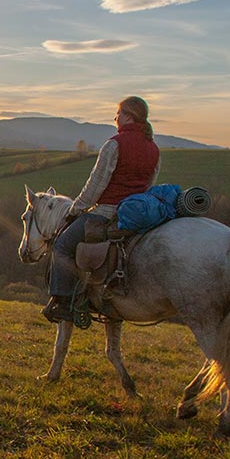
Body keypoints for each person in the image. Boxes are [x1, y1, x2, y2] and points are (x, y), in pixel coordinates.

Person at [43, 96, 161, 322]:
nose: (115, 118)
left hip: (107, 212)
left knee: (61, 246)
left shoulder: (114, 144)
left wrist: (76, 209)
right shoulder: (153, 148)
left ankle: (63, 302)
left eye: (117, 113)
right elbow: (149, 184)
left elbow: (96, 184)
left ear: (127, 115)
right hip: (137, 214)